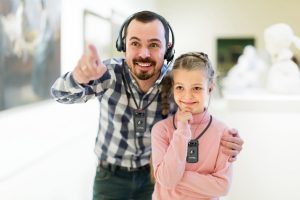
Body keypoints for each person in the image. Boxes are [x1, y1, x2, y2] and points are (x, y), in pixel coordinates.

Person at [50, 10, 243, 200]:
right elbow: (59, 94)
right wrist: (78, 78)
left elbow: (199, 118)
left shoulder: (176, 83)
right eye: (135, 43)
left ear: (167, 49)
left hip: (155, 176)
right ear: (123, 45)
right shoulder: (107, 74)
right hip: (110, 177)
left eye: (153, 45)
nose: (144, 53)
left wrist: (226, 140)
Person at [151, 52, 233, 200]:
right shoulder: (161, 130)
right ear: (173, 88)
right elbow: (167, 179)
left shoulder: (223, 133)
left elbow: (223, 186)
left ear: (210, 88)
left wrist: (176, 175)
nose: (187, 96)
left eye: (196, 88)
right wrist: (182, 130)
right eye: (180, 88)